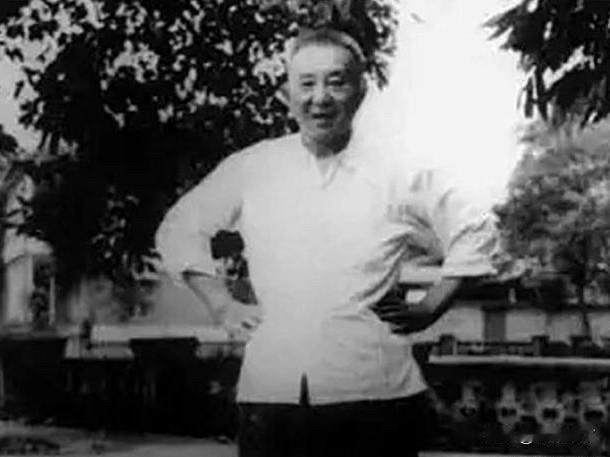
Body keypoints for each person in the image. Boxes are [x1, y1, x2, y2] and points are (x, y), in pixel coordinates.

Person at [155, 27, 498, 457]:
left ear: (361, 92)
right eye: (307, 83)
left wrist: (431, 306)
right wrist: (221, 304)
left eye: (337, 82)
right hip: (273, 391)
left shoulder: (398, 169)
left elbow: (477, 226)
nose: (320, 98)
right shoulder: (254, 167)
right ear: (287, 94)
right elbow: (179, 228)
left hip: (374, 392)